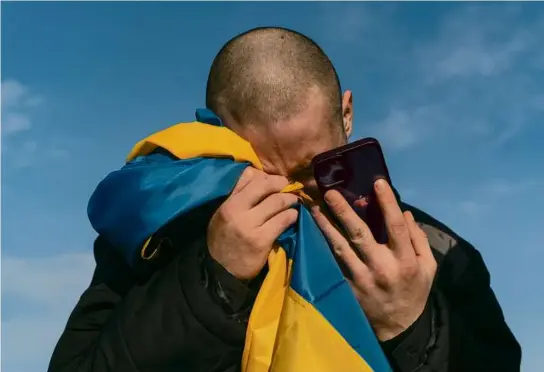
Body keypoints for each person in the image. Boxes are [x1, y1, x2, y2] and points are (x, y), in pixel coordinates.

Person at [48, 27, 521, 372]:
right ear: (218, 140)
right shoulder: (163, 234)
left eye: (314, 169)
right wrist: (212, 282)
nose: (295, 197)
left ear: (347, 114)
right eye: (260, 176)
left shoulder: (440, 253)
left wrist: (411, 328)